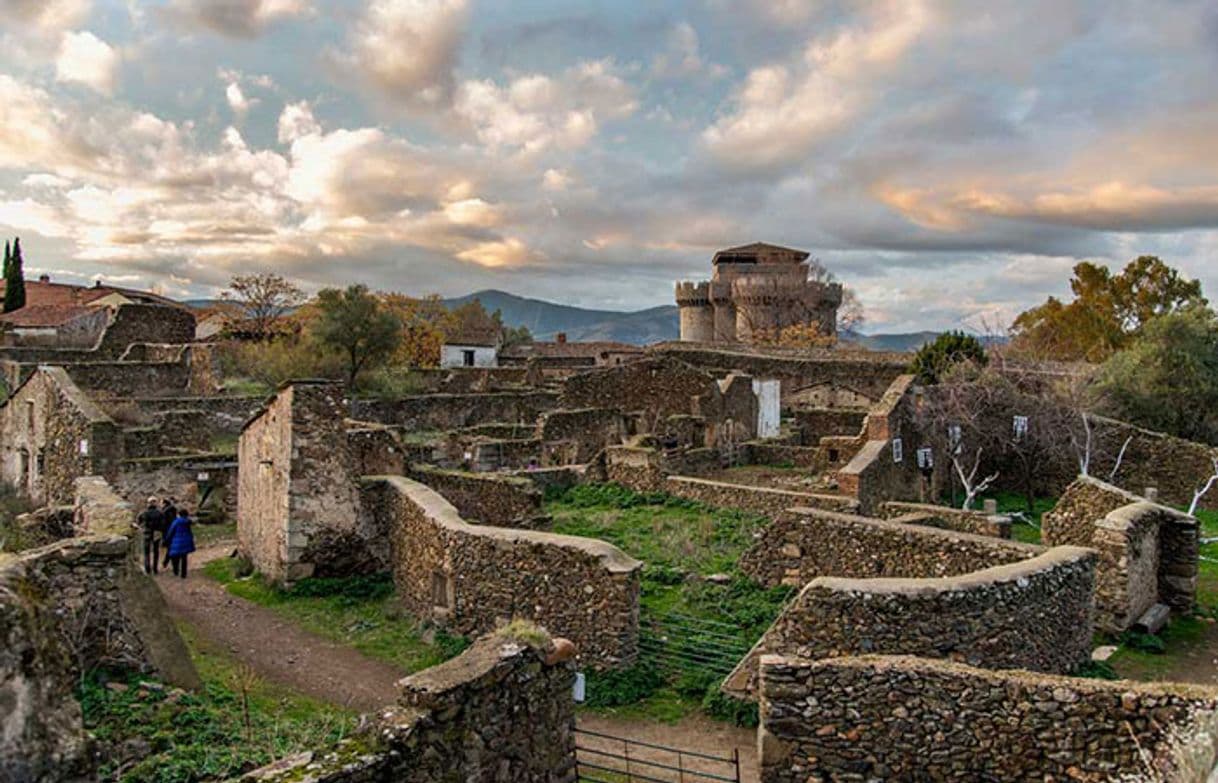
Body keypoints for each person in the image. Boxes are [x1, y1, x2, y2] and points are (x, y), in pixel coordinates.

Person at [135, 496, 163, 575]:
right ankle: (155, 568)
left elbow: (138, 521)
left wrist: (141, 527)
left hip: (146, 532)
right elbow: (163, 523)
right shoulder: (160, 513)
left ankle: (147, 568)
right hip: (156, 533)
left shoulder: (143, 512)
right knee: (156, 551)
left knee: (146, 551)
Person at [165, 508, 196, 579]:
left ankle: (176, 570)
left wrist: (167, 539)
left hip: (176, 541)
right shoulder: (187, 522)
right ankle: (183, 573)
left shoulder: (176, 522)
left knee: (175, 557)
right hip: (186, 541)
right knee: (184, 558)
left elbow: (171, 531)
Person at [160, 497, 177, 568]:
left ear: (164, 503)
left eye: (161, 503)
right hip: (172, 531)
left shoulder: (166, 512)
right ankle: (167, 562)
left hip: (168, 531)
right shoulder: (171, 510)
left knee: (170, 548)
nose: (160, 505)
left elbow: (166, 523)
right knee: (171, 547)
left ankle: (168, 562)